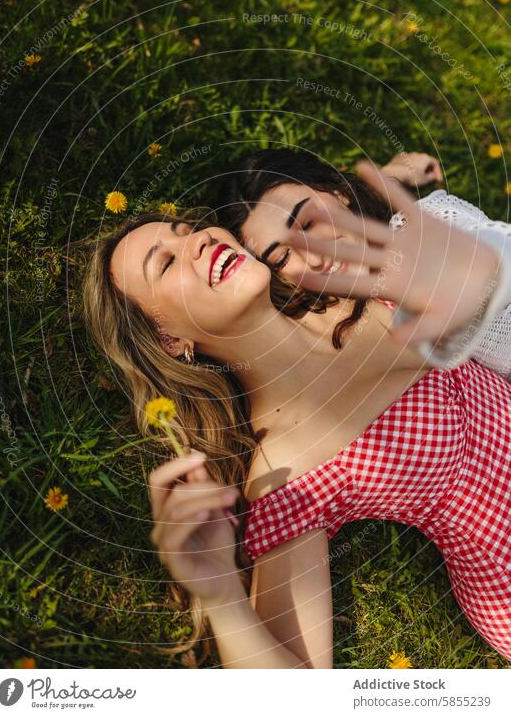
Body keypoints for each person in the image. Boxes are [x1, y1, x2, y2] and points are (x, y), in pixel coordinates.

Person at [82, 164, 511, 667]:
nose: (196, 242)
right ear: (170, 340)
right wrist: (222, 595)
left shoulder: (359, 288)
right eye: (167, 264)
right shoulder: (285, 470)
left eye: (189, 230)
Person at [216, 148, 511, 379]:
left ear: (339, 193)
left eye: (307, 224)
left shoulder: (431, 228)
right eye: (282, 257)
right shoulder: (312, 322)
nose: (315, 258)